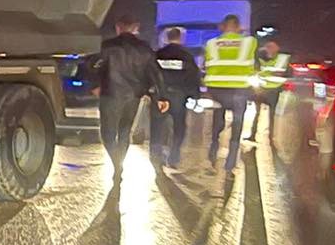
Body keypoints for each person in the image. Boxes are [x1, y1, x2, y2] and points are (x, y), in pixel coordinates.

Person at [90, 13, 167, 180]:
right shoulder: (144, 49)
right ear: (136, 28)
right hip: (134, 95)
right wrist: (160, 97)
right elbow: (155, 74)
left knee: (107, 133)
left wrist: (95, 85)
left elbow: (91, 65)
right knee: (125, 131)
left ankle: (117, 164)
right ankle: (119, 164)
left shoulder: (107, 46)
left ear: (118, 27)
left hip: (111, 94)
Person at [200, 13, 258, 174]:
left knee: (217, 123)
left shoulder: (211, 44)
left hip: (217, 90)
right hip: (239, 90)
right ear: (239, 27)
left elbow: (206, 66)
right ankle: (230, 162)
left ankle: (212, 153)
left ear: (222, 27)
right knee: (237, 125)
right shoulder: (249, 42)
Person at [150, 25, 203, 169]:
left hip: (160, 96)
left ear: (167, 38)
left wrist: (150, 92)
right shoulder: (186, 55)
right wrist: (195, 95)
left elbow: (150, 73)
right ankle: (174, 156)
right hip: (179, 96)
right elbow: (193, 76)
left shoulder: (158, 54)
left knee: (157, 125)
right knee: (179, 126)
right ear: (181, 38)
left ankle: (156, 155)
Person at [249, 37, 291, 147]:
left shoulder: (283, 58)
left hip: (274, 89)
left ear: (277, 47)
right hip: (262, 88)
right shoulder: (262, 58)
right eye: (267, 47)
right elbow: (257, 70)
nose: (269, 49)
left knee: (271, 115)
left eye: (271, 46)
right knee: (257, 112)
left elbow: (285, 73)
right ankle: (253, 134)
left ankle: (271, 137)